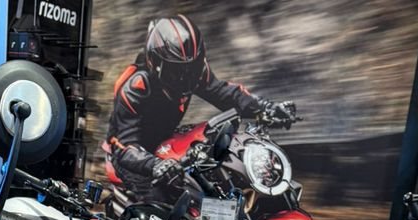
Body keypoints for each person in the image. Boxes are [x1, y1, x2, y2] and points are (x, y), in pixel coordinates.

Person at [105, 13, 293, 201]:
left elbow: (224, 92)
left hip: (166, 142)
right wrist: (154, 165)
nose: (184, 78)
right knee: (164, 200)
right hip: (133, 154)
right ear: (155, 63)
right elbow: (123, 145)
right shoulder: (136, 86)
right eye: (176, 71)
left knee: (215, 171)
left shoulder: (193, 73)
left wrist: (265, 107)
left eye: (191, 69)